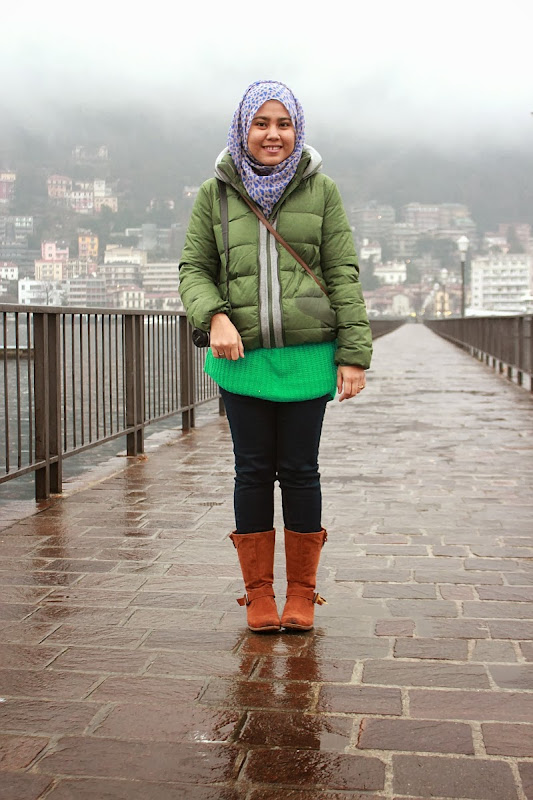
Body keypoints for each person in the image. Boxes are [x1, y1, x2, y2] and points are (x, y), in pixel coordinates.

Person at [179, 80, 372, 633]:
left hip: (308, 358)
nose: (273, 134)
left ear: (298, 130)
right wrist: (214, 316)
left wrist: (354, 354)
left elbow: (342, 273)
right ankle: (259, 595)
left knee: (301, 472)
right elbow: (194, 269)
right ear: (243, 129)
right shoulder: (215, 193)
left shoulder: (322, 191)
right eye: (261, 123)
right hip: (242, 359)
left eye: (283, 124)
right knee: (252, 472)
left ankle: (302, 595)